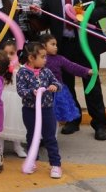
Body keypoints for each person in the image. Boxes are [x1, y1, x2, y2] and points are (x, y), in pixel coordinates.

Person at [35, 0, 106, 141]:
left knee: (91, 84)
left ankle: (99, 124)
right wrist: (37, 14)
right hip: (61, 47)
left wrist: (86, 16)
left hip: (87, 45)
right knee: (65, 85)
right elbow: (47, 19)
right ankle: (73, 120)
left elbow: (104, 8)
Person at [16, 42, 62, 179]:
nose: (45, 60)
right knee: (32, 136)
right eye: (42, 57)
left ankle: (55, 164)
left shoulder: (46, 72)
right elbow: (20, 90)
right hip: (29, 110)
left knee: (49, 137)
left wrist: (54, 86)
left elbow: (57, 83)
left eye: (45, 57)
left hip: (46, 110)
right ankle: (32, 161)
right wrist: (32, 92)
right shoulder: (22, 72)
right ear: (31, 58)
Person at [40, 34, 92, 124]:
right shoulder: (37, 59)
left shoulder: (59, 59)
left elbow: (72, 66)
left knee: (53, 116)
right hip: (42, 92)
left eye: (56, 45)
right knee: (41, 115)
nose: (56, 47)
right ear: (43, 46)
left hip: (57, 93)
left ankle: (51, 135)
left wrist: (87, 71)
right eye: (52, 44)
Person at [0, 39, 27, 158]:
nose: (9, 56)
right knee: (1, 123)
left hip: (17, 99)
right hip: (2, 98)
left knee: (17, 121)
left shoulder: (21, 68)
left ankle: (17, 146)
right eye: (6, 53)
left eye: (12, 53)